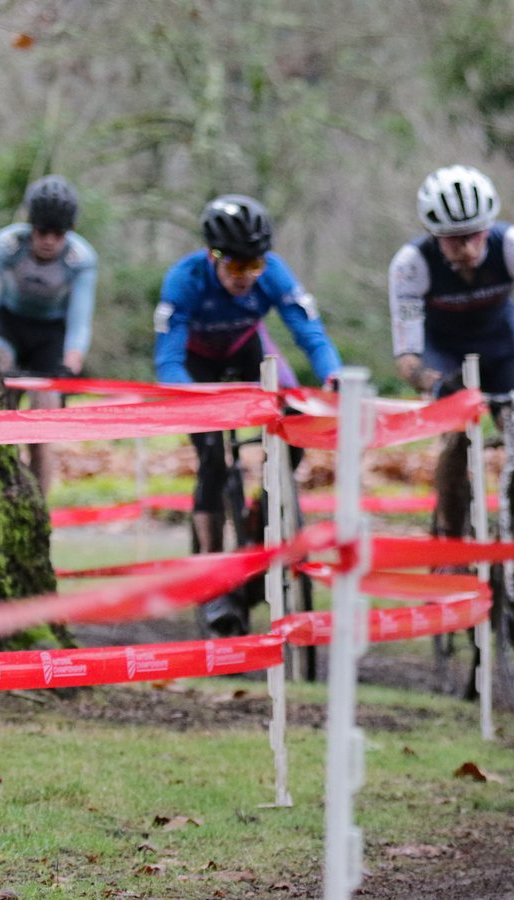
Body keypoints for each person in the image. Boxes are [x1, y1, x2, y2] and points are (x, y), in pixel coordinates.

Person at [154, 194, 342, 636]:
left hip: (248, 354)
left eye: (254, 266)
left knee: (296, 416)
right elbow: (168, 358)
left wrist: (332, 376)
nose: (246, 278)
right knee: (214, 462)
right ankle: (213, 580)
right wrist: (192, 400)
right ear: (212, 256)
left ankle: (265, 514)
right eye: (236, 267)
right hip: (198, 370)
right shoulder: (184, 280)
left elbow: (308, 331)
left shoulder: (272, 272)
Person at [389, 164, 514, 542]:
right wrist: (433, 382)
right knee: (454, 441)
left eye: (473, 235)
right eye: (453, 239)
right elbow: (406, 356)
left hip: (502, 353)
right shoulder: (411, 266)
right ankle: (450, 536)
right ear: (433, 236)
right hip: (445, 359)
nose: (466, 248)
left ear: (489, 226)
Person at [0, 174, 98, 497]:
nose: (49, 240)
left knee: (41, 428)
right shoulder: (6, 246)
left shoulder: (81, 260)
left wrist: (71, 363)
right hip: (9, 324)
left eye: (58, 233)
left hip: (50, 334)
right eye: (42, 231)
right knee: (1, 406)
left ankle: (39, 506)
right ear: (30, 226)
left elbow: (80, 318)